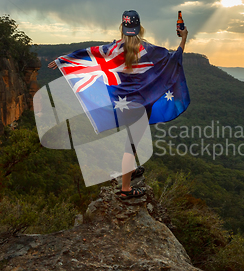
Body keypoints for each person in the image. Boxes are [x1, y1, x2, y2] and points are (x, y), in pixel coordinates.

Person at [48, 10, 188, 200]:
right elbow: (172, 60)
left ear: (122, 28)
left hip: (122, 105)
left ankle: (129, 171)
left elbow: (89, 53)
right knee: (131, 144)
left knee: (130, 141)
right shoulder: (149, 50)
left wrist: (64, 59)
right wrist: (183, 38)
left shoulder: (112, 49)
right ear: (140, 28)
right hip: (142, 105)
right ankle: (126, 189)